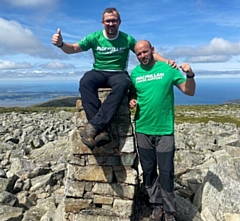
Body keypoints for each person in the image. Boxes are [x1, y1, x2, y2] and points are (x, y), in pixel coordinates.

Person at [52, 7, 176, 150]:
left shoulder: (127, 39)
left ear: (119, 22)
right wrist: (61, 44)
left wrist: (166, 61)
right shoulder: (94, 37)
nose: (111, 24)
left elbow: (145, 52)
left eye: (114, 21)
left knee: (123, 84)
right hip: (98, 71)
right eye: (108, 21)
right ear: (102, 22)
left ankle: (93, 126)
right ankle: (101, 130)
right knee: (85, 82)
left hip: (118, 73)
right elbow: (73, 48)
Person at [129, 40, 196, 221]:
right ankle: (156, 205)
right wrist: (132, 100)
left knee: (166, 172)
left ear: (152, 50)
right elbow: (132, 93)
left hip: (164, 130)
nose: (142, 56)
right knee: (149, 171)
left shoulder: (168, 69)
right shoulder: (134, 73)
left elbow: (189, 92)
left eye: (145, 52)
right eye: (139, 54)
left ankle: (169, 210)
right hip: (142, 129)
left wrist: (190, 75)